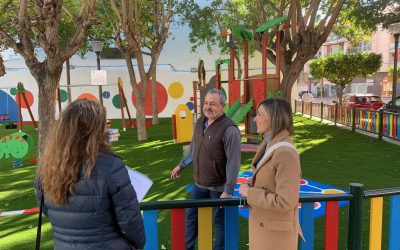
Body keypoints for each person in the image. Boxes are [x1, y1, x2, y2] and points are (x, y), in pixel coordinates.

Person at [35, 99, 145, 250]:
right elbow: (130, 222)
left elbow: (46, 208)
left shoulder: (46, 166)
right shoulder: (111, 166)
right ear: (97, 129)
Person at [171, 88, 241, 250]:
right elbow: (194, 149)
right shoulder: (200, 122)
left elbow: (233, 162)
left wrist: (228, 190)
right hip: (200, 184)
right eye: (206, 103)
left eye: (213, 104)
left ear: (223, 106)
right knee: (191, 218)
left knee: (220, 223)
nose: (208, 107)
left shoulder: (229, 130)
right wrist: (182, 165)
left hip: (219, 187)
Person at [239, 98, 303, 250]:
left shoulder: (285, 152)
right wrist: (252, 184)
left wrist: (250, 193)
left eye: (259, 115)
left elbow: (286, 201)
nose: (254, 119)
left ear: (274, 118)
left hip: (275, 237)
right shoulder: (268, 144)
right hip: (265, 229)